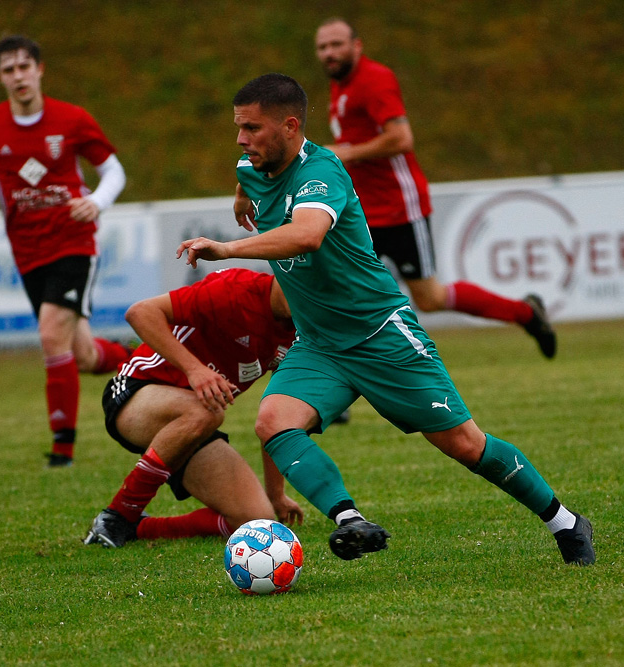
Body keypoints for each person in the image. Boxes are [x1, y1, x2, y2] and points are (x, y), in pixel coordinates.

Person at [179, 73, 594, 565]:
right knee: (273, 422)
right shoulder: (253, 164)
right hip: (320, 344)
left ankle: (566, 522)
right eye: (239, 129)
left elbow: (308, 234)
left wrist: (227, 247)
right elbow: (247, 174)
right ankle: (350, 520)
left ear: (290, 126)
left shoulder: (323, 173)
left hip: (380, 333)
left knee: (465, 445)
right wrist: (242, 196)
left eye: (252, 128)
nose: (242, 140)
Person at [310, 18, 557, 359]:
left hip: (399, 207)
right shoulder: (341, 84)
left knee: (429, 298)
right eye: (323, 47)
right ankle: (330, 389)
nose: (329, 53)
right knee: (340, 291)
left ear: (357, 46)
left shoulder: (374, 79)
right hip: (362, 211)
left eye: (337, 44)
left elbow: (402, 138)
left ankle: (526, 314)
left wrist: (347, 152)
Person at [0, 35, 133, 467]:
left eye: (24, 66)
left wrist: (95, 202)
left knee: (48, 336)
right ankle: (141, 357)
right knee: (83, 355)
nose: (18, 75)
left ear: (40, 70)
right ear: (0, 77)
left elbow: (113, 171)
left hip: (74, 243)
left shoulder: (72, 119)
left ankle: (63, 450)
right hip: (27, 250)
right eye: (8, 69)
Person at [83, 268, 303, 548]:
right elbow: (140, 313)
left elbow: (277, 418)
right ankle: (117, 516)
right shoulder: (236, 290)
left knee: (254, 520)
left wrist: (276, 495)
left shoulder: (299, 331)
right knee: (206, 411)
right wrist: (194, 370)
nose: (309, 300)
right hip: (135, 393)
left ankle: (140, 528)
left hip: (194, 424)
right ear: (287, 273)